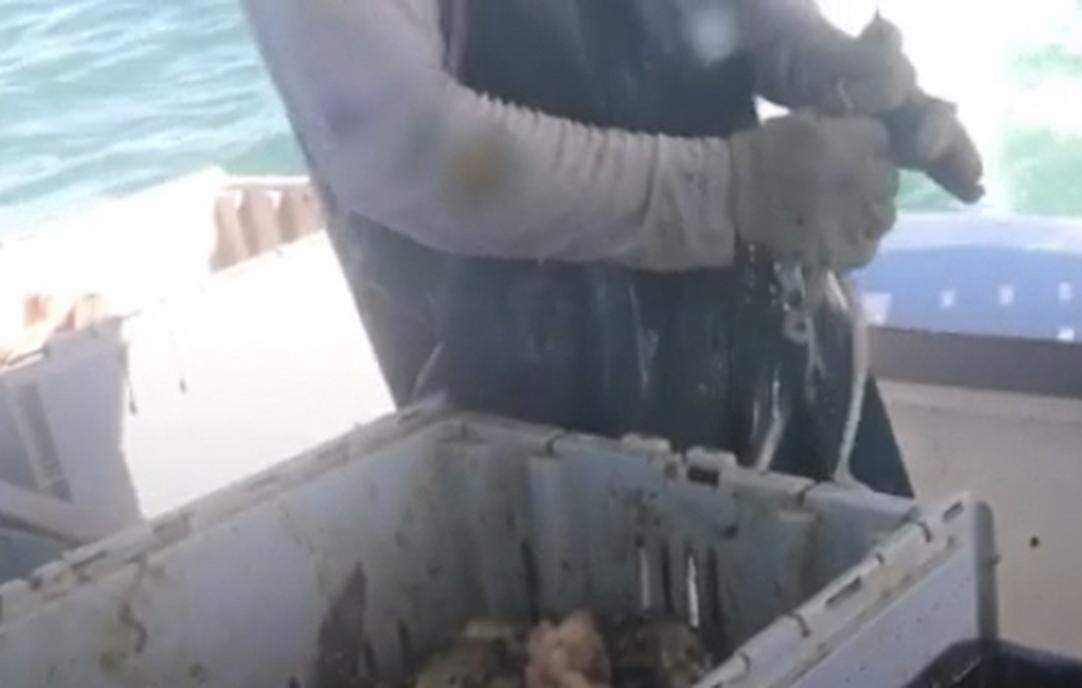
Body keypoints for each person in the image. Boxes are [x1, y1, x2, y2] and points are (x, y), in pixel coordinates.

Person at [244, 0, 982, 495]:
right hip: (533, 392)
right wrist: (725, 191)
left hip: (779, 337)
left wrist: (818, 59)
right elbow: (406, 145)